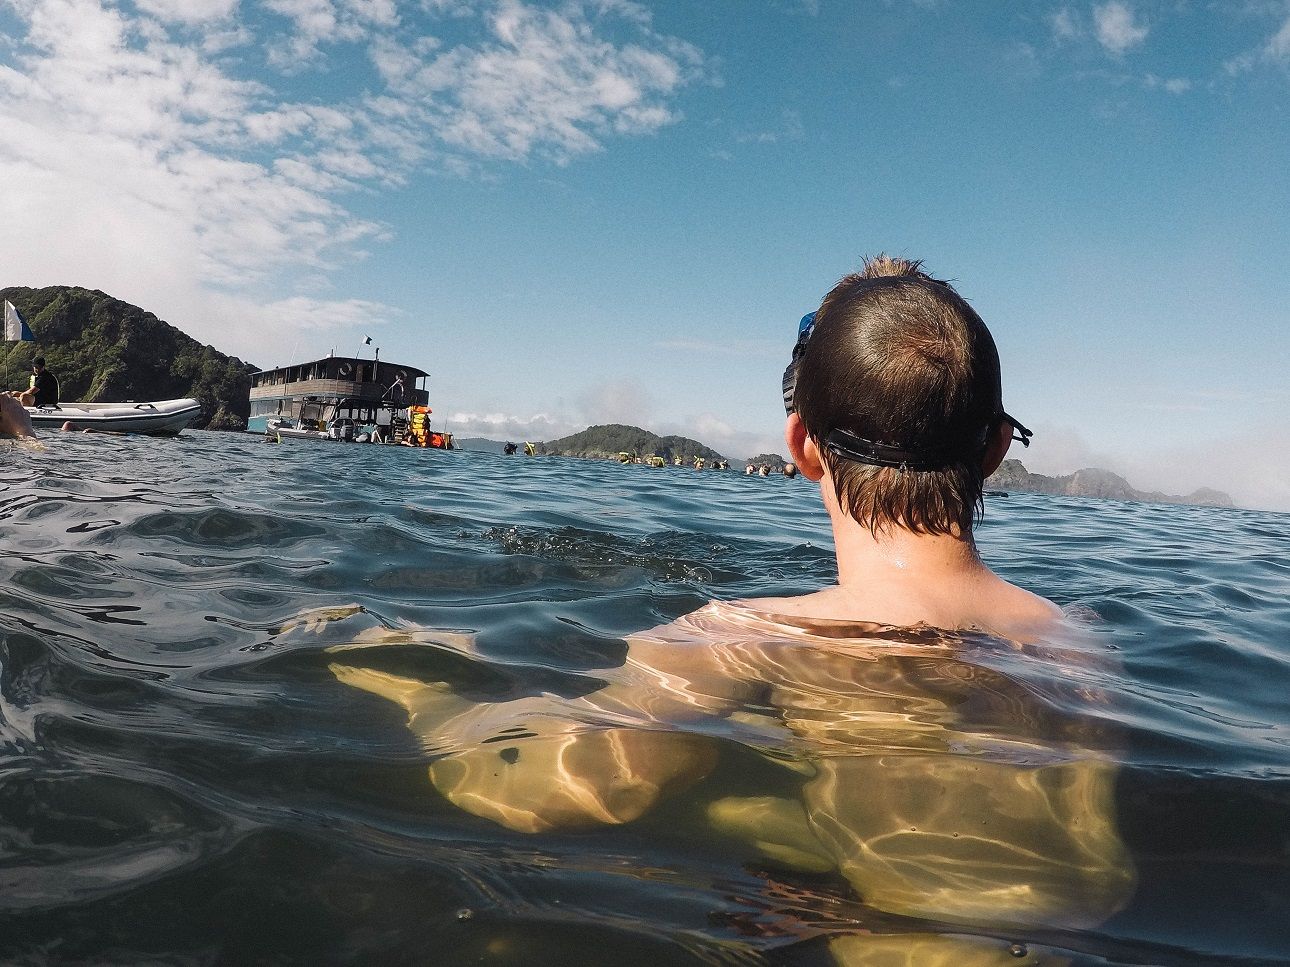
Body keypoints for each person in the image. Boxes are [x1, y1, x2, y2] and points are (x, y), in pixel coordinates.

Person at [327, 256, 1132, 963]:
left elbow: (565, 793)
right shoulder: (1085, 647)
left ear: (802, 447)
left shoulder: (750, 636)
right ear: (994, 448)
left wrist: (419, 677)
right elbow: (1034, 862)